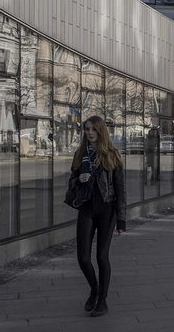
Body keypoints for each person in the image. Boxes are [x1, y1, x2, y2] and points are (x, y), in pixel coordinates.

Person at [69, 116, 126, 318]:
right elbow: (71, 183)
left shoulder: (112, 154)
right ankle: (94, 289)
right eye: (87, 129)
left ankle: (102, 300)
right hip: (86, 208)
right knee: (83, 258)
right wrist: (78, 180)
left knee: (102, 256)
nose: (90, 133)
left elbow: (120, 188)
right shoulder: (80, 154)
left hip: (106, 210)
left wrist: (121, 219)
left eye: (93, 129)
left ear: (101, 131)